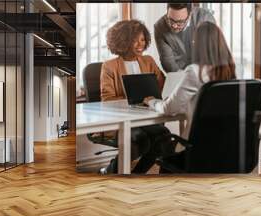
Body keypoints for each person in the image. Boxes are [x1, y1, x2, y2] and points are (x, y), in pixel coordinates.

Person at [144, 22, 236, 171]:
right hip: (225, 147)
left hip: (196, 147)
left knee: (162, 147)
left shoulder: (194, 71)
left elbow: (168, 109)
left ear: (198, 44)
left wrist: (153, 102)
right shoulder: (230, 73)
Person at [99, 20, 170, 174]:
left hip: (147, 116)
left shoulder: (148, 61)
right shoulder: (109, 66)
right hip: (124, 120)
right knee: (140, 140)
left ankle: (137, 174)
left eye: (143, 40)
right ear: (123, 41)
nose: (140, 45)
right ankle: (110, 171)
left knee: (164, 137)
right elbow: (107, 99)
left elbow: (163, 85)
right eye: (134, 40)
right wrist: (134, 101)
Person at [154, 3, 215, 73]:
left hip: (205, 73)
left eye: (180, 22)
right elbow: (168, 64)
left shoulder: (205, 18)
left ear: (189, 15)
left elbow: (210, 55)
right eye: (170, 20)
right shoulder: (159, 27)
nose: (174, 26)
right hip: (179, 76)